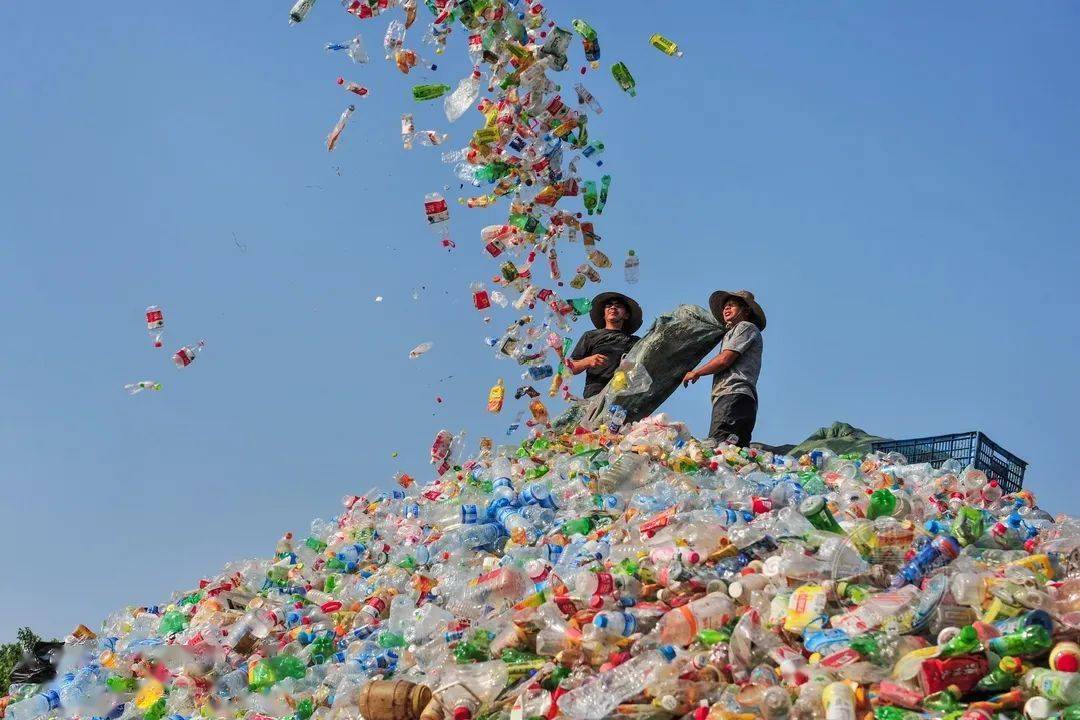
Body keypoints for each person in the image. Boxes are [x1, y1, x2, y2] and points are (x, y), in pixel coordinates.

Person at [682, 290, 766, 446]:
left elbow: (725, 359)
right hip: (739, 399)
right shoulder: (732, 332)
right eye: (725, 306)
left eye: (732, 305)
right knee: (734, 454)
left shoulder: (745, 327)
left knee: (719, 448)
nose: (726, 309)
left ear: (745, 311)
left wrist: (697, 372)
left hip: (733, 395)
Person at [566, 291, 643, 399]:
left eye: (618, 306)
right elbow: (570, 368)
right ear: (604, 313)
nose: (613, 308)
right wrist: (587, 361)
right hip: (596, 393)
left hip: (624, 393)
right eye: (609, 306)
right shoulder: (591, 336)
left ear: (626, 315)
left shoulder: (635, 341)